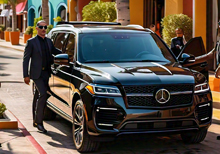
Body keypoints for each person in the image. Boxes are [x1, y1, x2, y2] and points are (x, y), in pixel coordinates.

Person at [23, 20, 61, 133]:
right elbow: (26, 59)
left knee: (39, 95)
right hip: (36, 74)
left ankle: (35, 119)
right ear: (36, 28)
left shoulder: (49, 41)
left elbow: (55, 51)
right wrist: (26, 75)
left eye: (45, 27)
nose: (44, 29)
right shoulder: (31, 42)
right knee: (44, 94)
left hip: (47, 73)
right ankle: (39, 122)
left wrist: (69, 55)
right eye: (41, 27)